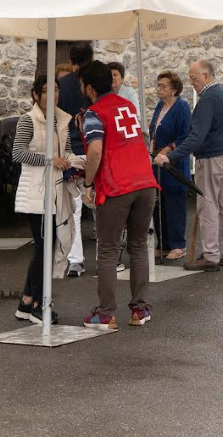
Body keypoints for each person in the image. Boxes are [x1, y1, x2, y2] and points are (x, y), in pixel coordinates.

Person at [78, 60, 159, 330]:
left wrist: (88, 182)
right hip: (146, 183)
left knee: (109, 250)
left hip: (117, 186)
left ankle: (105, 313)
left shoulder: (93, 113)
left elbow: (96, 151)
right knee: (138, 246)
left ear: (88, 87)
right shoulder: (128, 106)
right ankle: (140, 309)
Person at [156, 59, 223, 272]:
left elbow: (196, 137)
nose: (192, 83)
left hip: (214, 158)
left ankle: (211, 256)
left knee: (208, 207)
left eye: (194, 78)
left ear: (206, 75)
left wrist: (171, 156)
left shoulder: (208, 99)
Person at [11, 74, 79, 325]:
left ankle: (27, 301)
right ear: (36, 94)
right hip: (37, 193)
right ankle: (38, 303)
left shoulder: (62, 119)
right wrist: (51, 160)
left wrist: (73, 161)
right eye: (47, 91)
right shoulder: (28, 120)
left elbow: (67, 149)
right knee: (44, 249)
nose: (54, 95)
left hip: (57, 190)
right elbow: (18, 153)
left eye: (57, 90)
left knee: (46, 247)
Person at [55, 42, 94, 277]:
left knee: (74, 209)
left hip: (70, 151)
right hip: (96, 148)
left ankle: (75, 259)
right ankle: (107, 257)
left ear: (71, 61)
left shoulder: (62, 85)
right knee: (102, 204)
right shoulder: (98, 80)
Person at [148, 70, 192, 263]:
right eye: (158, 85)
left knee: (174, 203)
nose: (159, 89)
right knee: (159, 203)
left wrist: (165, 151)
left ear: (174, 89)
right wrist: (152, 145)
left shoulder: (181, 107)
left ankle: (177, 244)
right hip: (157, 162)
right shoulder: (160, 106)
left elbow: (184, 136)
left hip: (174, 162)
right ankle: (163, 243)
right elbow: (154, 130)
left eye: (163, 86)